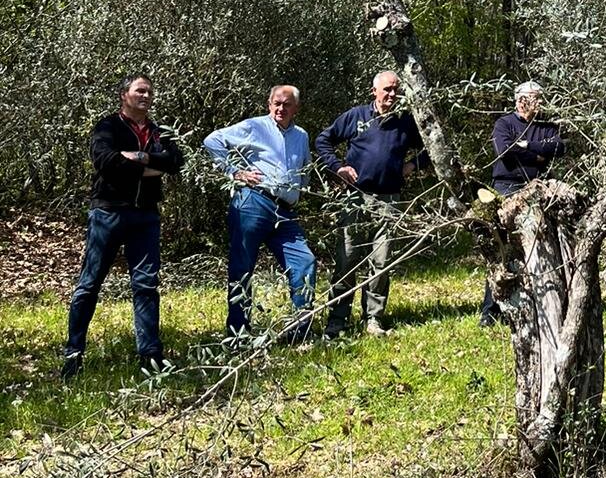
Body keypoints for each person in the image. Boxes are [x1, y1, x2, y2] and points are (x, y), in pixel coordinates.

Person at [62, 74, 184, 380]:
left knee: (146, 286)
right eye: (139, 91)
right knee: (90, 284)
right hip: (109, 213)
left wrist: (140, 156)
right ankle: (73, 355)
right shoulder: (108, 126)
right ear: (124, 95)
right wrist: (149, 168)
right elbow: (105, 161)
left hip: (146, 217)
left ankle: (151, 358)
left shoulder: (158, 131)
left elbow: (176, 161)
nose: (145, 96)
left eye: (149, 92)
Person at [203, 84, 317, 345]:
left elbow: (306, 168)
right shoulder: (255, 126)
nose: (281, 108)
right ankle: (238, 335)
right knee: (242, 268)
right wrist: (235, 172)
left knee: (305, 262)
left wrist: (299, 193)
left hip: (285, 212)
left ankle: (299, 332)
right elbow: (213, 141)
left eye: (287, 104)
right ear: (269, 104)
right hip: (253, 203)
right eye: (276, 103)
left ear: (296, 108)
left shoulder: (301, 135)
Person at [316, 70, 423, 338]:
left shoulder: (405, 121)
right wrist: (338, 167)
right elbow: (323, 140)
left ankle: (373, 319)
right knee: (347, 259)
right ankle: (337, 320)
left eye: (396, 89)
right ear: (374, 90)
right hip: (355, 198)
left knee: (381, 261)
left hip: (389, 200)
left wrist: (413, 164)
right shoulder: (357, 116)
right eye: (387, 89)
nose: (392, 94)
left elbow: (432, 146)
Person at [480, 80, 565, 326]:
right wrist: (537, 155)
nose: (539, 102)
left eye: (540, 98)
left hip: (536, 189)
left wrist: (527, 146)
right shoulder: (504, 123)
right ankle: (490, 310)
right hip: (506, 188)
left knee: (533, 249)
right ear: (520, 100)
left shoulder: (547, 126)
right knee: (503, 248)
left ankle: (527, 307)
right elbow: (504, 152)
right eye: (535, 98)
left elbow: (558, 148)